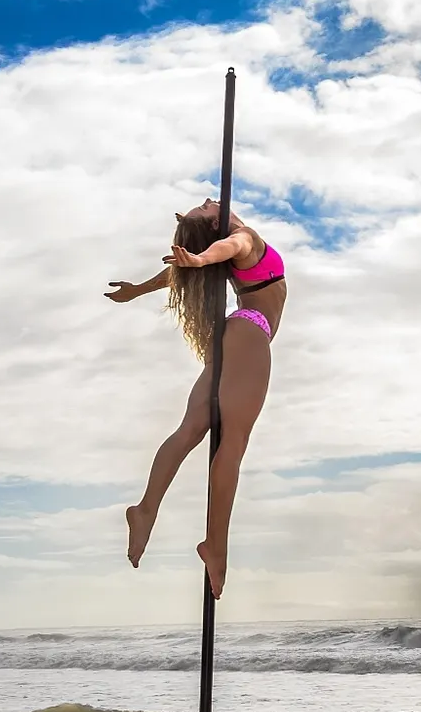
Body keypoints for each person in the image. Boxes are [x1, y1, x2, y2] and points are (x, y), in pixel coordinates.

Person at [106, 197, 286, 597]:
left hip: (232, 333)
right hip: (249, 331)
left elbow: (191, 267)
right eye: (202, 209)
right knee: (233, 442)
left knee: (190, 429)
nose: (207, 199)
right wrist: (203, 260)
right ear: (214, 224)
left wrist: (138, 290)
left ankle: (146, 509)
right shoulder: (244, 238)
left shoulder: (225, 245)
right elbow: (228, 248)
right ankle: (215, 545)